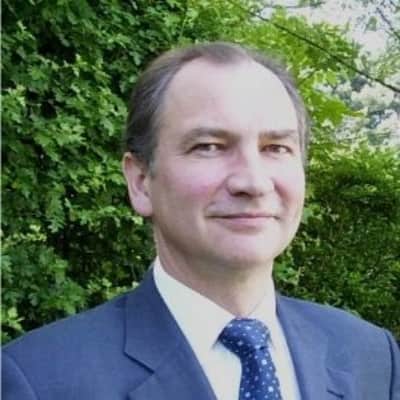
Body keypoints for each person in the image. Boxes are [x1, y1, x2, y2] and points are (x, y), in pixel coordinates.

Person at [2, 42, 399, 400]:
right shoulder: (38, 381)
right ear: (140, 182)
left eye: (276, 147)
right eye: (209, 147)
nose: (253, 182)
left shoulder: (371, 357)